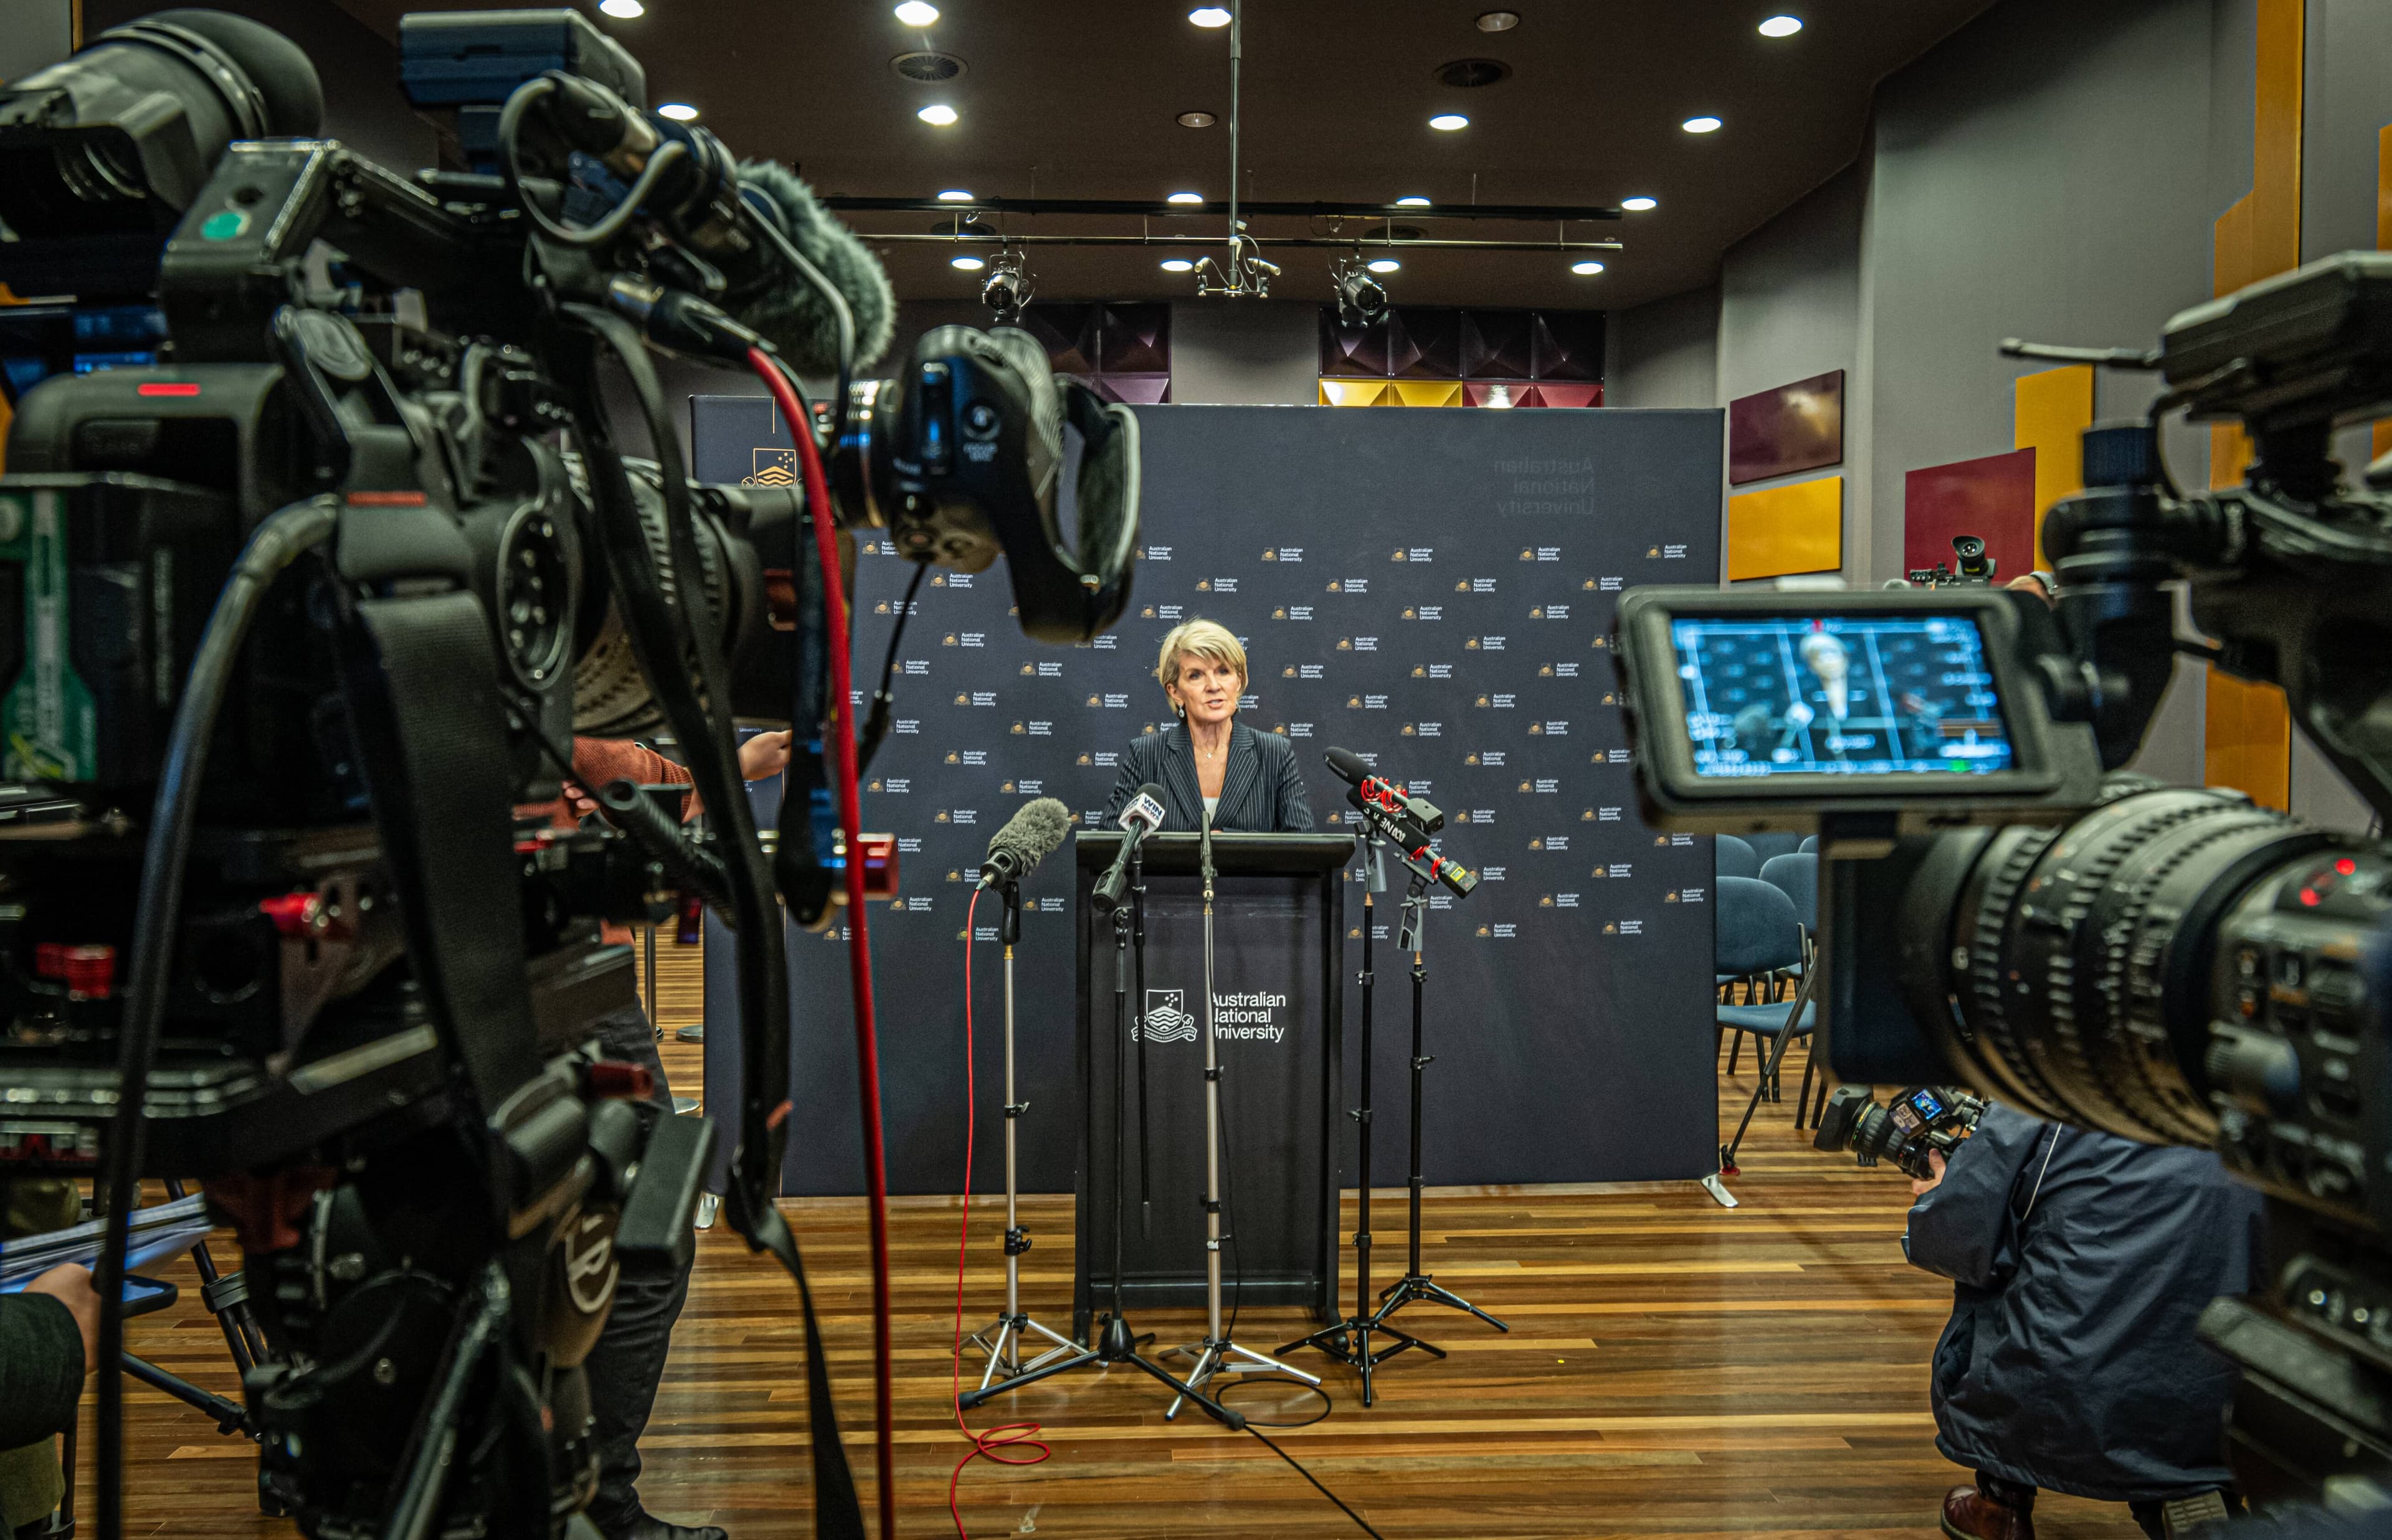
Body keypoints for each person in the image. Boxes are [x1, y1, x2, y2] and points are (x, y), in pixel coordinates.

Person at [543, 733, 789, 1540]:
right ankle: (594, 1501)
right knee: (647, 1234)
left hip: (443, 980)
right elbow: (608, 767)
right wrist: (723, 767)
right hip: (562, 978)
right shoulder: (544, 667)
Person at [1905, 1101, 2265, 1540]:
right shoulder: (2270, 1108)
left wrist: (1942, 1192)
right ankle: (2189, 1495)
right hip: (2212, 1394)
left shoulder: (2045, 1092)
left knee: (1998, 1268)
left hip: (2049, 1390)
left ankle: (2002, 1503)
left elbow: (1955, 1239)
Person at [1104, 618, 1313, 832]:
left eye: (1223, 672)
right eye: (1196, 675)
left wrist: (1226, 842)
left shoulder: (1274, 754)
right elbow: (1109, 843)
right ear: (1175, 692)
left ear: (1239, 681)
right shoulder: (1146, 755)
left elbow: (1303, 844)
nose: (1214, 686)